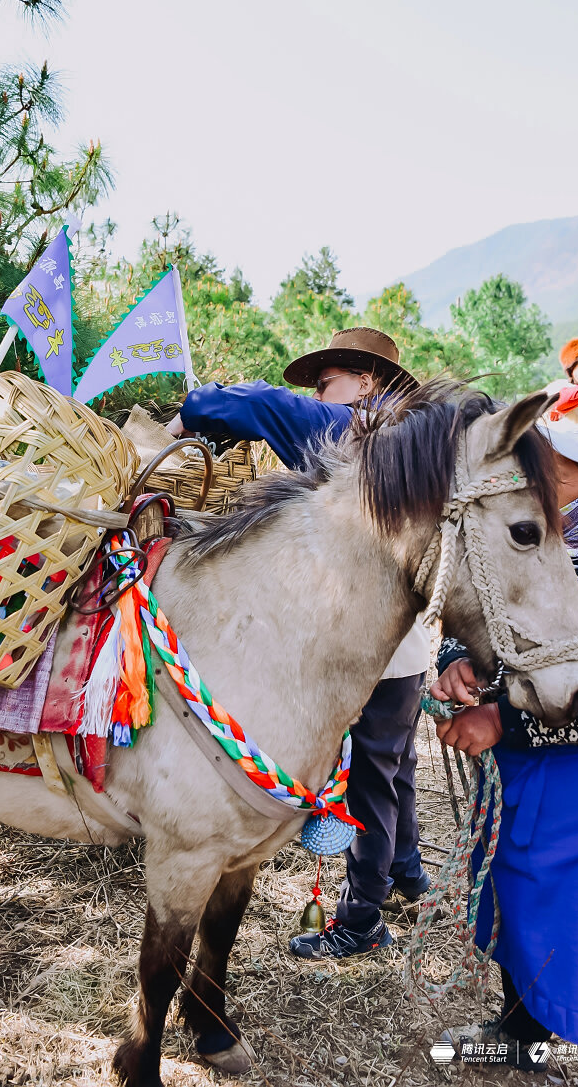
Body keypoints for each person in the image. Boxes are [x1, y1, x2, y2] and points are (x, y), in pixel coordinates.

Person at [168, 327, 432, 958]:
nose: (319, 392)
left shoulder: (347, 431)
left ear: (366, 381)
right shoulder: (401, 447)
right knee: (393, 767)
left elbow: (257, 404)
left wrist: (190, 414)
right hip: (405, 648)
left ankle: (362, 918)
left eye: (327, 380)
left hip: (368, 647)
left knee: (369, 778)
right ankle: (409, 874)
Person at [431, 421, 578, 1083]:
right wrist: (453, 665)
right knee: (517, 915)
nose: (539, 484)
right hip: (523, 788)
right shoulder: (521, 556)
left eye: (557, 476)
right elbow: (478, 632)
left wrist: (503, 724)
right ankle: (522, 1037)